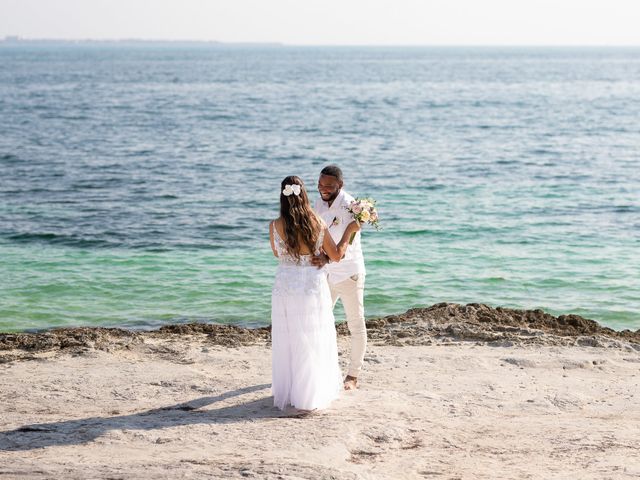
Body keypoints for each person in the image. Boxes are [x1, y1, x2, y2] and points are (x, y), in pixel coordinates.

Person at [269, 175, 360, 412]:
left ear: (282, 196)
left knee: (289, 339)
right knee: (312, 337)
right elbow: (337, 255)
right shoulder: (317, 222)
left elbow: (278, 255)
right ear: (305, 194)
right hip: (310, 284)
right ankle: (308, 395)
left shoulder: (274, 225)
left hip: (286, 286)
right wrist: (351, 228)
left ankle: (289, 393)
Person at [312, 165, 367, 391]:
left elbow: (344, 246)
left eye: (329, 186)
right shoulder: (317, 203)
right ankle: (319, 368)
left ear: (340, 185)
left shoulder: (352, 206)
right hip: (326, 274)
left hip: (348, 273)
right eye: (320, 185)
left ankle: (353, 375)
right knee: (319, 320)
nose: (323, 189)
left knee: (356, 325)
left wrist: (326, 257)